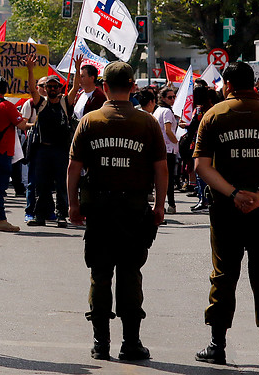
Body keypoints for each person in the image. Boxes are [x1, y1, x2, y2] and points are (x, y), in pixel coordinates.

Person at [193, 62, 259, 366]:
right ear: (253, 83)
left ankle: (217, 345)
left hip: (226, 209)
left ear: (227, 83)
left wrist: (234, 194)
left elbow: (201, 166)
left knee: (224, 274)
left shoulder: (213, 116)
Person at [67, 61, 167, 362]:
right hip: (134, 207)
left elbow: (73, 168)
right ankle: (131, 342)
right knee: (130, 272)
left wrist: (72, 204)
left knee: (100, 273)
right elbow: (161, 169)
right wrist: (159, 205)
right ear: (133, 87)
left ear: (105, 87)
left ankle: (101, 344)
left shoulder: (89, 121)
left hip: (98, 208)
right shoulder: (147, 122)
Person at [0, 75, 30, 232]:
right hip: (2, 150)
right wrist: (35, 123)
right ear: (6, 90)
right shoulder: (6, 106)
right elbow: (21, 124)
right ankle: (0, 219)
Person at [25, 68, 73, 228]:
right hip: (43, 151)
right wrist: (30, 69)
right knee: (42, 185)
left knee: (61, 185)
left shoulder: (65, 103)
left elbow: (75, 87)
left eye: (55, 86)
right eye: (49, 86)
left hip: (60, 151)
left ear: (60, 88)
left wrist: (78, 71)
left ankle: (61, 216)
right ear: (45, 89)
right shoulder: (41, 103)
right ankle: (40, 216)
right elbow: (32, 89)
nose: (52, 89)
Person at [153, 86, 180, 215]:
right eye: (170, 97)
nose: (173, 100)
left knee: (160, 179)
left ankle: (161, 205)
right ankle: (171, 204)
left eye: (174, 97)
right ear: (162, 98)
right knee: (168, 180)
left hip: (159, 148)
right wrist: (176, 141)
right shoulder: (167, 112)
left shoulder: (157, 110)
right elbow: (168, 130)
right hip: (168, 149)